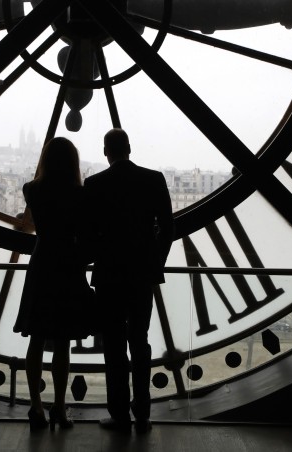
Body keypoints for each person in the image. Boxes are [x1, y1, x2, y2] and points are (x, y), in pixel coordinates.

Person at [83, 128, 174, 434]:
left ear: (106, 151)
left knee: (114, 346)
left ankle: (119, 414)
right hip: (141, 274)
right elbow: (168, 228)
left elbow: (88, 233)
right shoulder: (153, 179)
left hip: (109, 274)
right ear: (130, 148)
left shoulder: (94, 185)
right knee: (140, 341)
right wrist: (153, 263)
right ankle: (143, 413)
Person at [13, 137, 93, 432]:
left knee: (36, 338)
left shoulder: (31, 190)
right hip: (68, 266)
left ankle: (36, 406)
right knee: (63, 342)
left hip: (42, 262)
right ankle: (59, 406)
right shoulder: (79, 194)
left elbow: (33, 224)